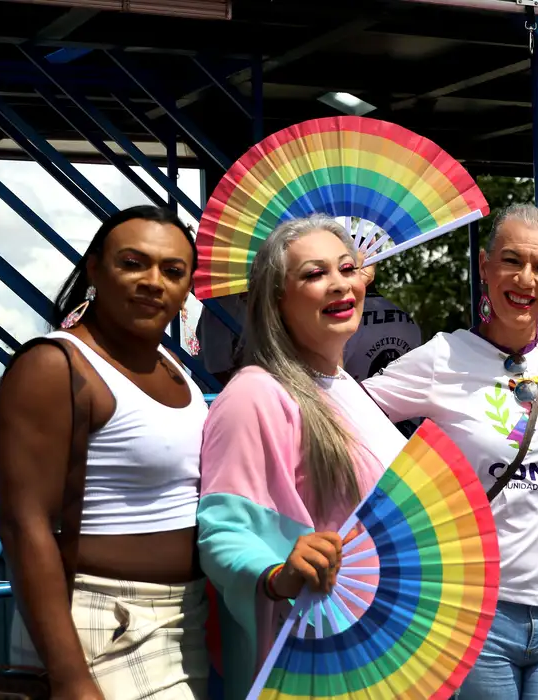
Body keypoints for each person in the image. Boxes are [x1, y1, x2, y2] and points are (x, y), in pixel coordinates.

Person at [362, 204, 538, 700]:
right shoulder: (442, 357)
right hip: (477, 613)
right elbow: (348, 413)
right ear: (485, 266)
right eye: (511, 261)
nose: (525, 279)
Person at [0, 205, 210, 700]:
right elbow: (24, 525)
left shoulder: (172, 365)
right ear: (94, 270)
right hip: (100, 625)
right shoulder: (55, 366)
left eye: (173, 271)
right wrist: (70, 676)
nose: (153, 281)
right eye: (133, 263)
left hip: (184, 616)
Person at [197, 214, 406, 699]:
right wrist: (276, 574)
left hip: (375, 649)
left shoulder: (348, 388)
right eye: (314, 274)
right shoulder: (254, 394)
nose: (339, 285)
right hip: (315, 658)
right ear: (276, 300)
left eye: (347, 268)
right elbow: (224, 530)